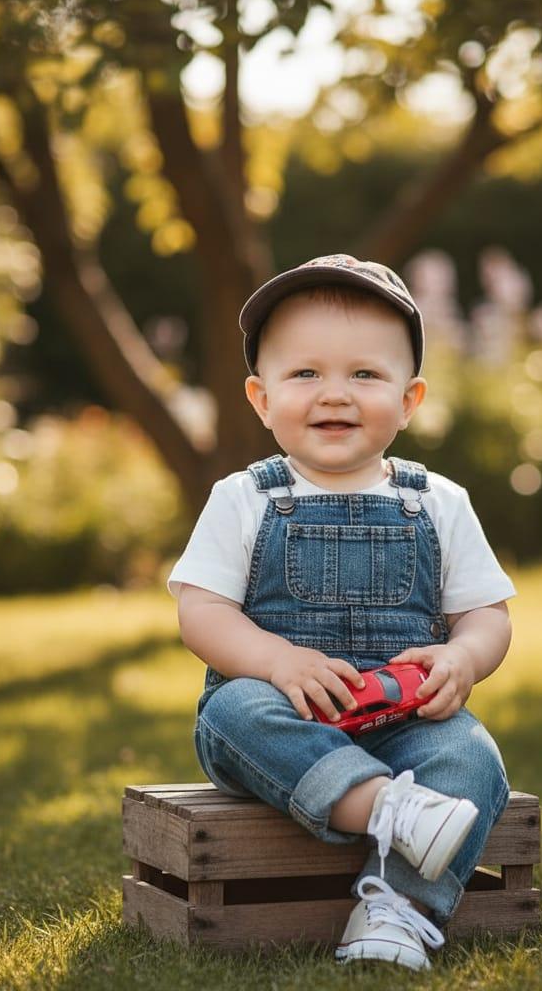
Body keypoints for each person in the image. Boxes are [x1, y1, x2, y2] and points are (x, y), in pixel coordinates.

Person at [168, 253, 516, 971]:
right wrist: (274, 660)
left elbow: (488, 613)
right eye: (305, 374)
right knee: (232, 711)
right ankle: (388, 812)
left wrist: (464, 657)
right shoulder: (245, 497)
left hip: (405, 723)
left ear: (410, 399)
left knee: (471, 755)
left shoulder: (437, 502)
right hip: (287, 717)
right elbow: (201, 611)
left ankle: (397, 909)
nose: (336, 394)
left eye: (365, 374)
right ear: (260, 399)